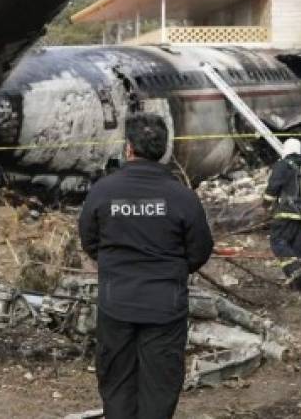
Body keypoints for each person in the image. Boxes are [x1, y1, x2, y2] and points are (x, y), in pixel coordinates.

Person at [78, 113, 214, 419]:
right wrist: (172, 270)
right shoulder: (182, 197)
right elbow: (200, 250)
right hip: (165, 305)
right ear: (164, 150)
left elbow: (89, 240)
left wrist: (116, 266)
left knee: (117, 383)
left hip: (117, 302)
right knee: (160, 386)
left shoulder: (103, 191)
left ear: (128, 148)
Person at [263, 138, 301, 290]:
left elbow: (273, 187)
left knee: (278, 241)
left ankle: (294, 269)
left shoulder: (283, 165)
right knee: (299, 248)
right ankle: (300, 286)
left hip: (287, 215)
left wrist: (265, 204)